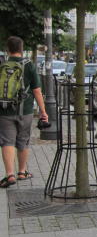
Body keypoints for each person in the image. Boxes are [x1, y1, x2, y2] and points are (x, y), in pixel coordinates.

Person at [0, 37, 48, 188]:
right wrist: (43, 111)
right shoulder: (29, 66)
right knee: (24, 140)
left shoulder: (2, 65)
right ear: (21, 48)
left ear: (8, 49)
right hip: (25, 110)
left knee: (7, 142)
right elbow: (37, 91)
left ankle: (10, 175)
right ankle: (22, 171)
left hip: (4, 111)